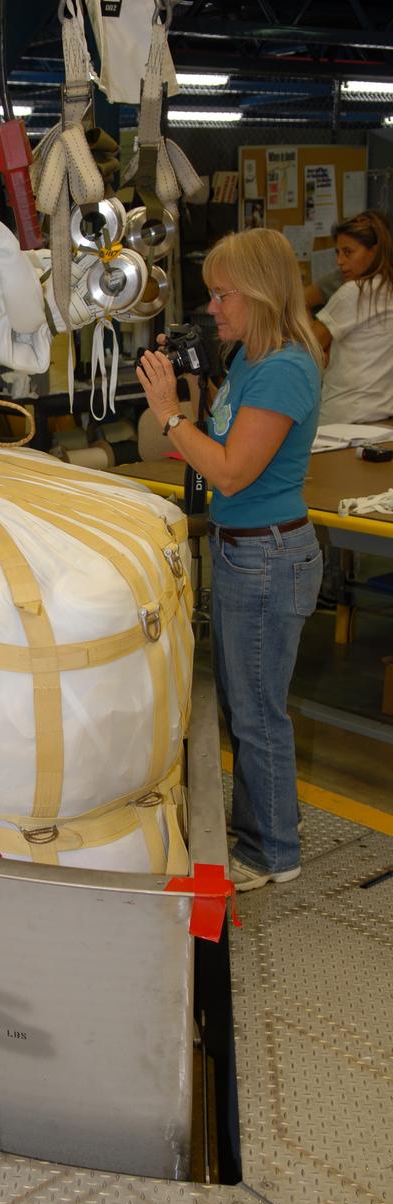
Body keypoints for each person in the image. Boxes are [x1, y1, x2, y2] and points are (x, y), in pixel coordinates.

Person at [135, 228, 324, 892]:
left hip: (268, 556)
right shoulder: (248, 359)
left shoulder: (285, 369)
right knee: (245, 708)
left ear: (262, 294)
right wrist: (191, 383)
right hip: (243, 550)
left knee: (257, 713)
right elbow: (218, 434)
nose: (212, 308)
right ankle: (264, 830)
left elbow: (231, 471)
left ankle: (272, 852)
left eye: (223, 295)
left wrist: (169, 414)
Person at [313, 210, 393, 425]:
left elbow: (308, 344)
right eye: (338, 252)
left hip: (344, 418)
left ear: (374, 252)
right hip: (382, 418)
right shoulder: (387, 289)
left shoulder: (354, 291)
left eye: (348, 252)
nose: (340, 261)